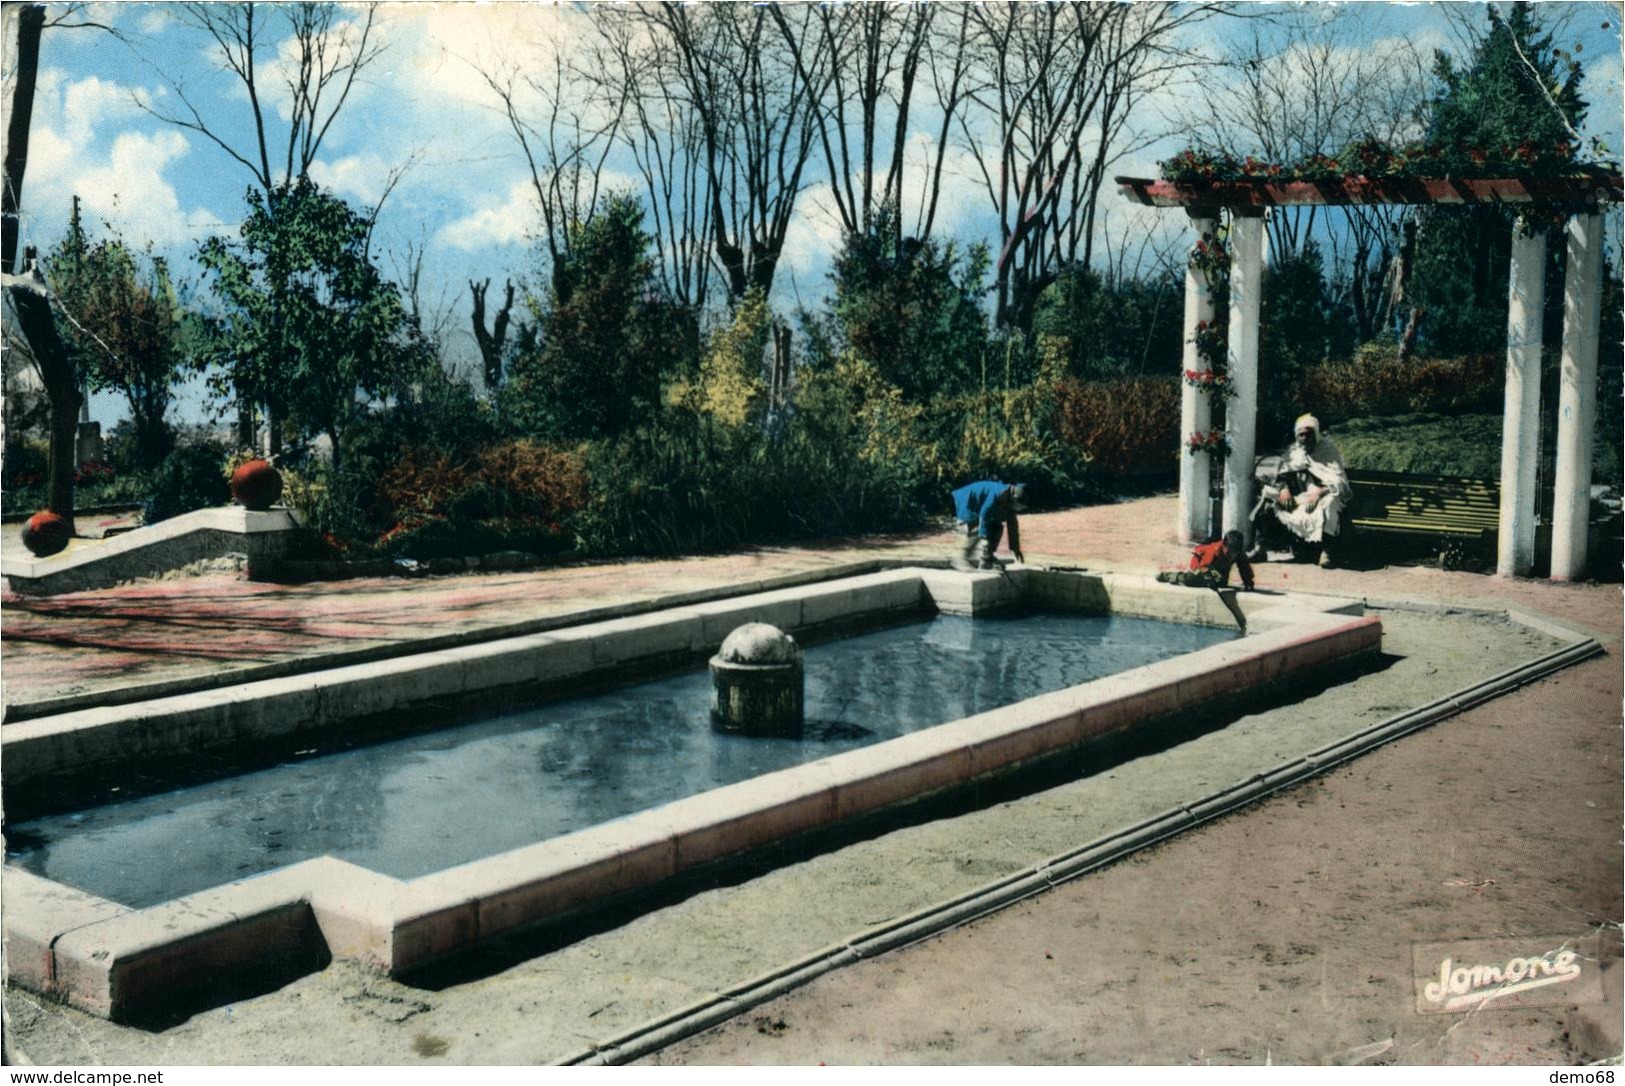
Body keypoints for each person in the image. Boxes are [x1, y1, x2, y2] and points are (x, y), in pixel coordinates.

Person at [1254, 413, 1352, 565]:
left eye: (1308, 434)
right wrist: (1283, 489)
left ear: (1316, 433)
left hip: (1324, 494)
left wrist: (1320, 492)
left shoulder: (1327, 449)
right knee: (1268, 497)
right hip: (1300, 496)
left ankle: (1327, 551)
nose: (1304, 439)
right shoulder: (1294, 451)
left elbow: (1340, 481)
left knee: (1331, 504)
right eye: (1301, 435)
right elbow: (1283, 475)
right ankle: (1261, 547)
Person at [1157, 530, 1254, 630]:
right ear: (1224, 545)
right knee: (1191, 580)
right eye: (1230, 552)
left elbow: (1244, 568)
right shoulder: (1214, 550)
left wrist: (1248, 583)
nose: (1233, 555)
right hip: (1200, 563)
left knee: (1222, 583)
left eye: (1236, 552)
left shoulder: (1238, 553)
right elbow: (1204, 566)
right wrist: (1210, 581)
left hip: (1218, 567)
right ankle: (1170, 576)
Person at [951, 480, 1026, 571]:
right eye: (1021, 507)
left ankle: (986, 560)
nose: (1020, 510)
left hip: (980, 505)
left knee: (997, 527)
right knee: (977, 530)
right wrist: (984, 535)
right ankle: (961, 559)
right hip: (967, 500)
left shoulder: (1009, 501)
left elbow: (1012, 525)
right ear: (1015, 499)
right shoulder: (998, 494)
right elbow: (985, 514)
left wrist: (1015, 548)